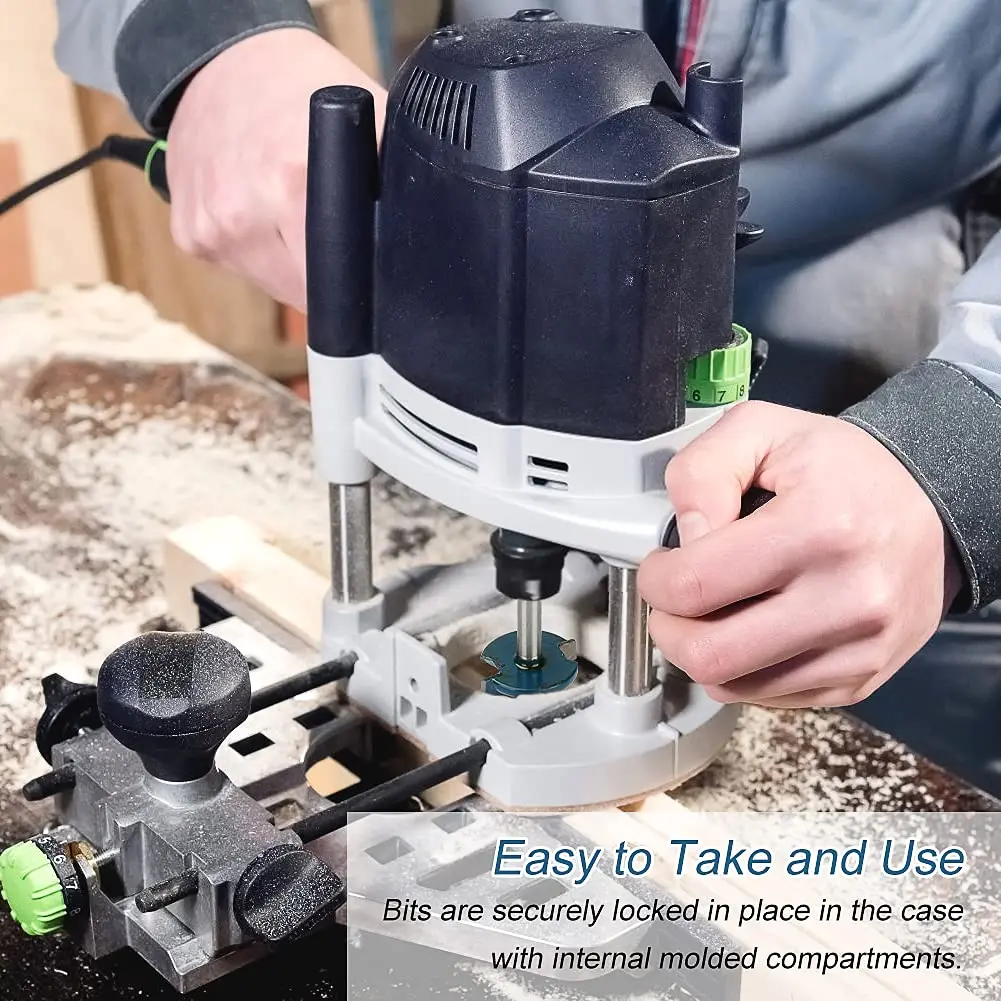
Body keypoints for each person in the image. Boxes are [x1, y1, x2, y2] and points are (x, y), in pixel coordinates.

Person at [53, 1, 1001, 711]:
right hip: (475, 271)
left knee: (891, 762)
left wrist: (960, 450)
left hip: (898, 354)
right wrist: (217, 39)